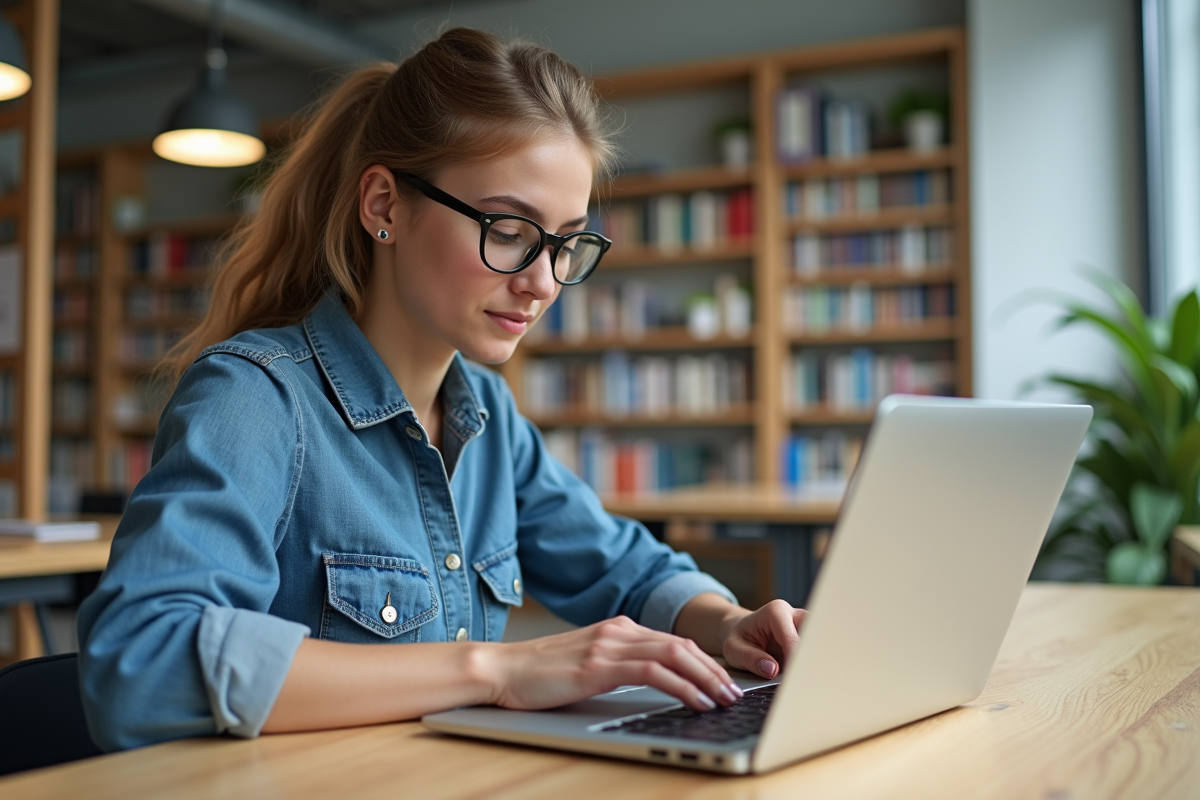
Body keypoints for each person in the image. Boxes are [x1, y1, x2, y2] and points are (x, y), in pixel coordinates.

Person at [77, 28, 806, 752]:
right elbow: (143, 664)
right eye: (510, 230)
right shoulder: (255, 398)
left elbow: (624, 566)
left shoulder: (489, 415)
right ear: (385, 206)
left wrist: (727, 623)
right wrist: (497, 669)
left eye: (566, 243)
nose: (544, 282)